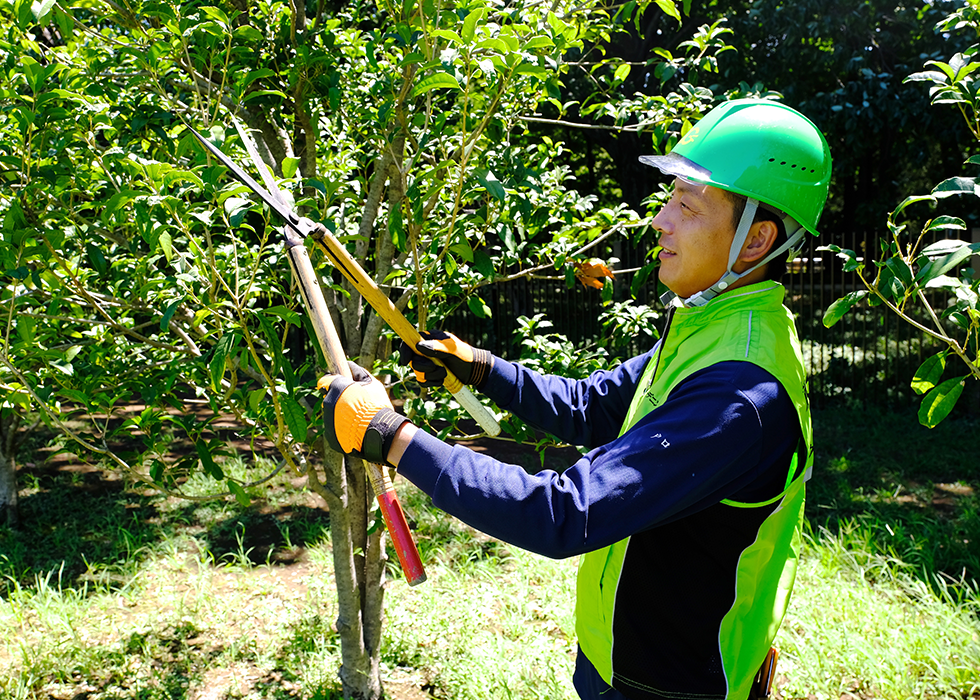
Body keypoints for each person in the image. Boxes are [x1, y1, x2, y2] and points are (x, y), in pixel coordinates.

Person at [318, 98, 832, 700]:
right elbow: (591, 404)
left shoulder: (740, 392)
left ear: (754, 241)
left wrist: (389, 436)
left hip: (669, 686)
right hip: (623, 660)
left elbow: (564, 514)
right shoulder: (712, 329)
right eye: (669, 200)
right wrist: (478, 368)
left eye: (686, 207)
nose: (661, 221)